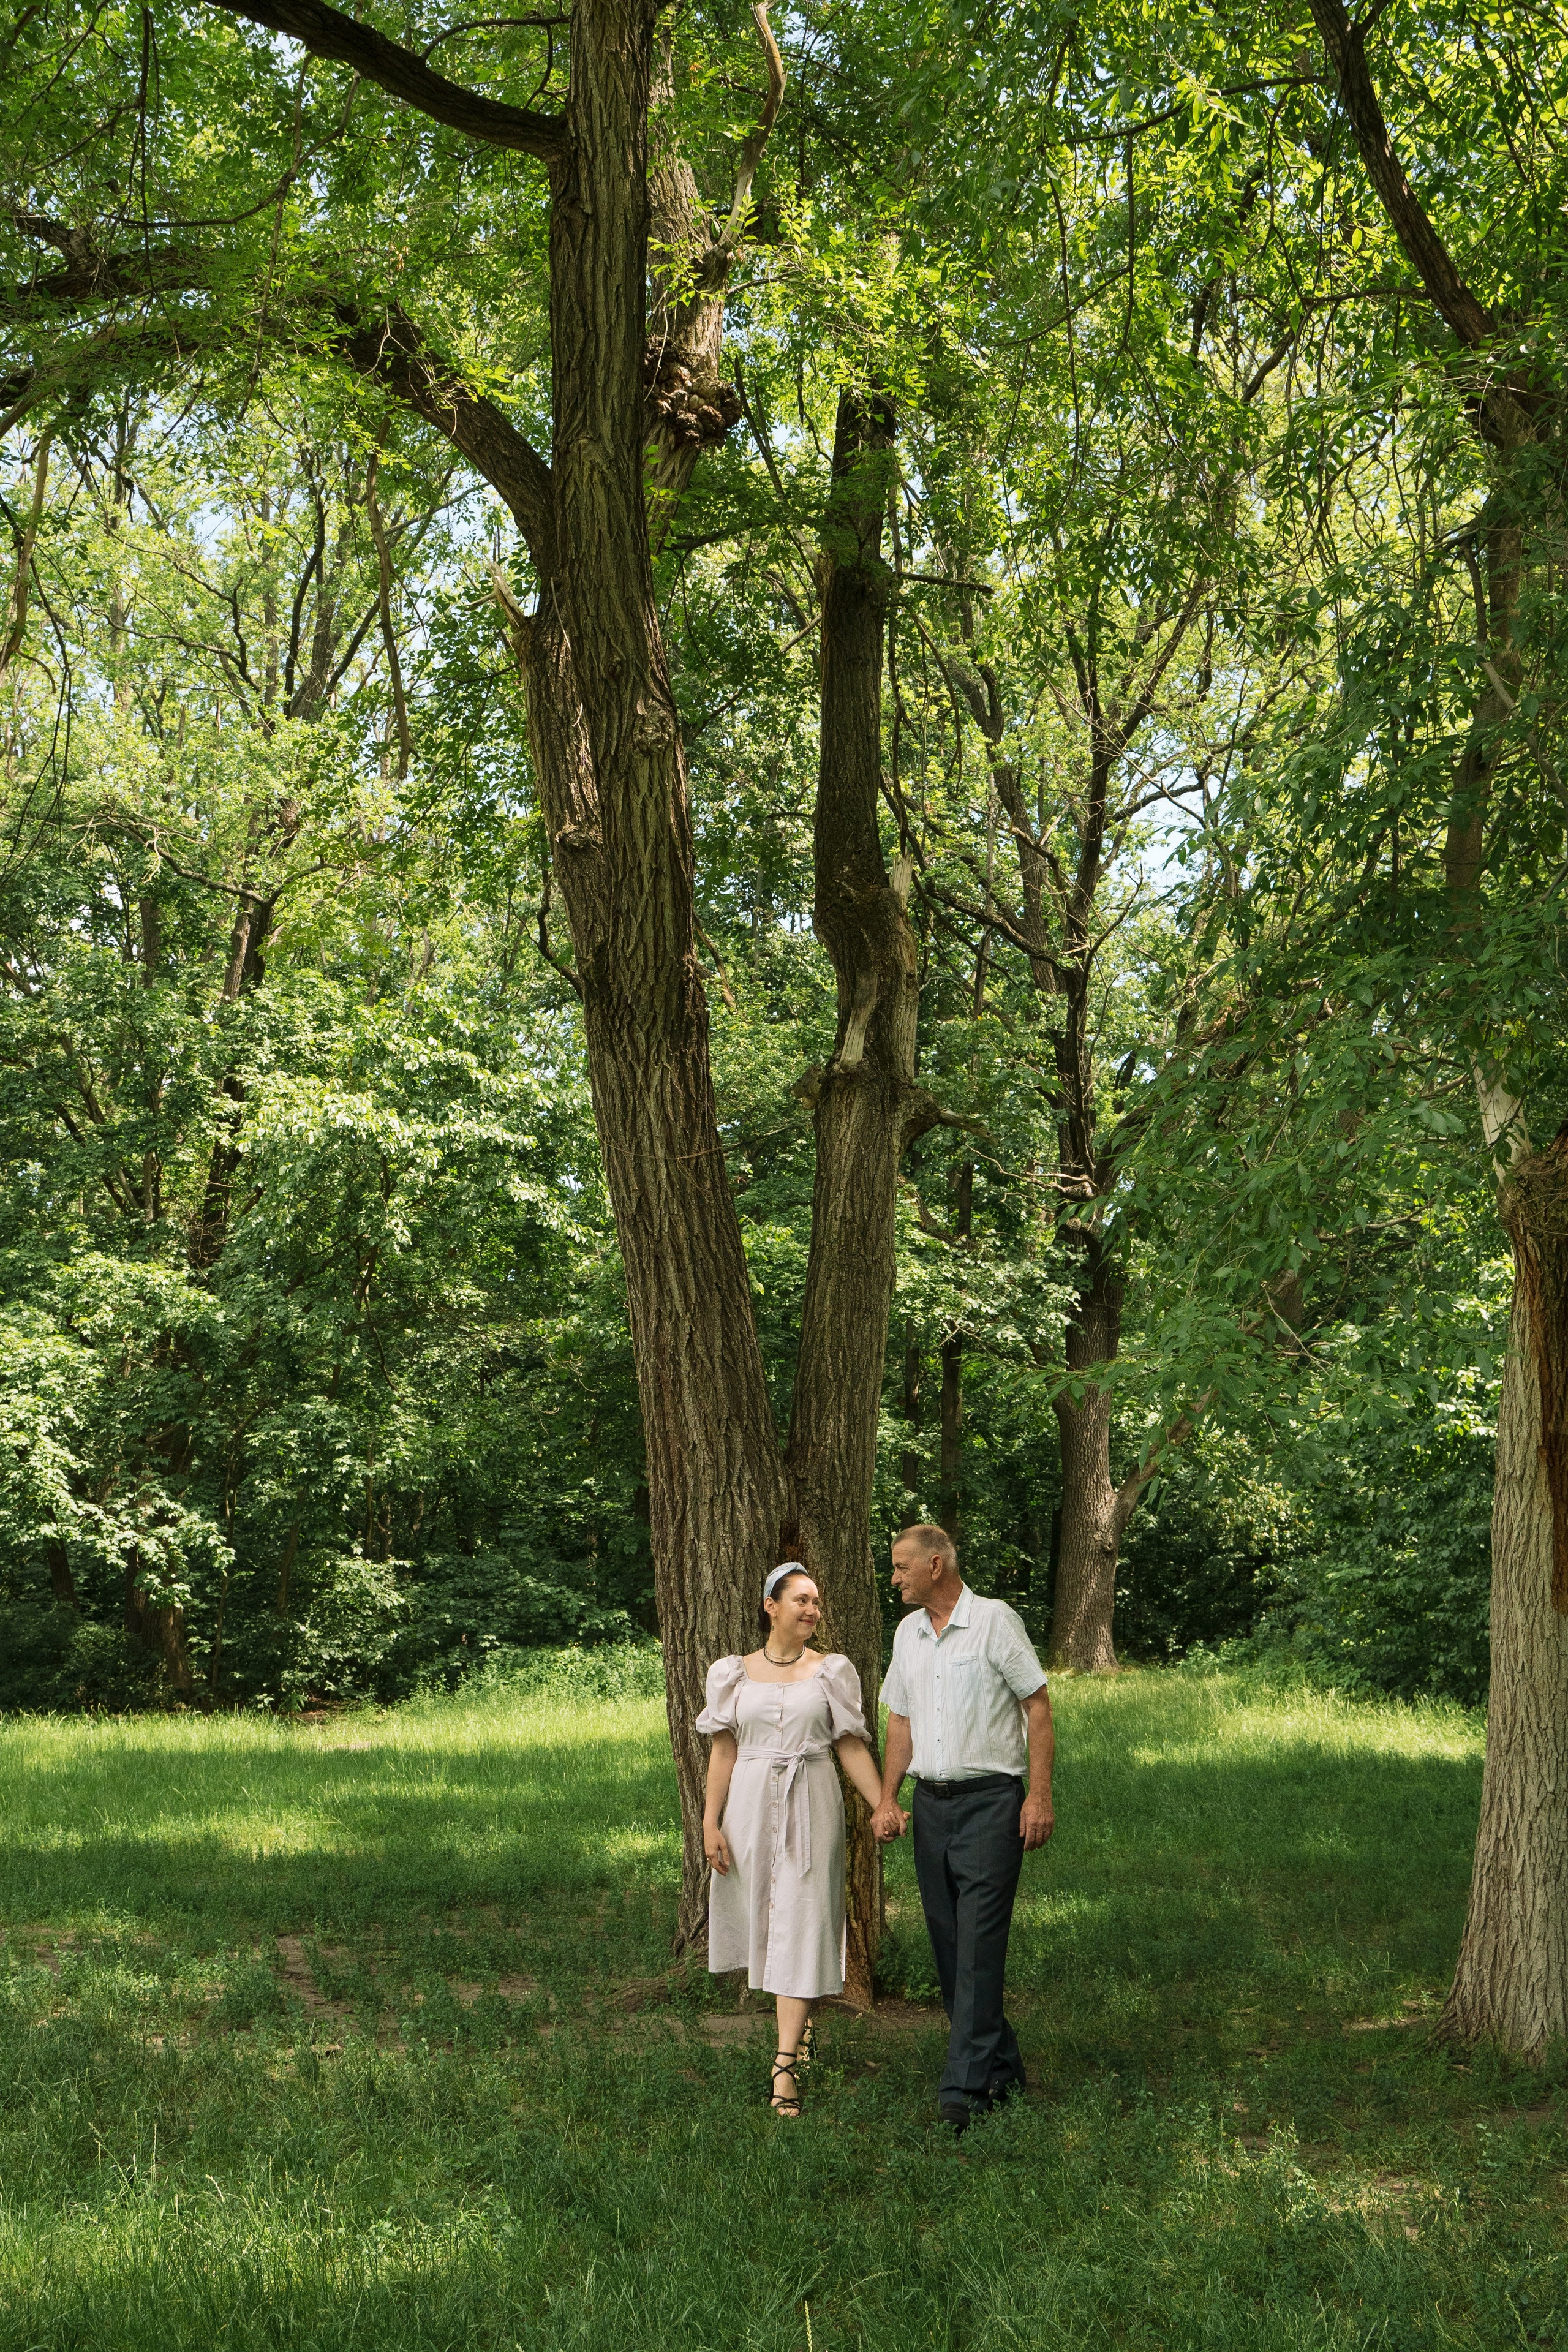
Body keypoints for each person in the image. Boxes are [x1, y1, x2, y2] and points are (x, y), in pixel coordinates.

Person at [871, 1523, 1054, 2134]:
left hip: (991, 1806)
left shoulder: (995, 1622)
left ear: (936, 1565)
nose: (892, 1578)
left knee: (977, 1946)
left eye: (900, 1567)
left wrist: (1038, 1797)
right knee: (951, 1949)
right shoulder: (908, 1634)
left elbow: (1037, 1705)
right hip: (931, 1808)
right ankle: (1001, 2069)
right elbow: (899, 1719)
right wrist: (886, 1799)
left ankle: (962, 2093)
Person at [698, 1563, 883, 2116]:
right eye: (801, 1600)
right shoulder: (733, 1673)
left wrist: (884, 1805)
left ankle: (782, 2068)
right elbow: (723, 1752)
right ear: (769, 1606)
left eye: (817, 1602)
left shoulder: (832, 1672)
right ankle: (798, 2035)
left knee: (803, 1917)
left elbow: (850, 1745)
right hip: (750, 1804)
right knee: (765, 1918)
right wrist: (710, 1824)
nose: (812, 1610)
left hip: (812, 1801)